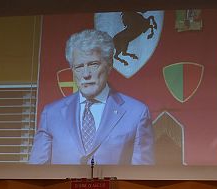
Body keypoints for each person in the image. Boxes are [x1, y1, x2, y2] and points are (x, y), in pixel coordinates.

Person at [29, 29, 154, 165]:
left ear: (109, 65)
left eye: (93, 64)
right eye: (79, 67)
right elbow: (37, 172)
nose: (86, 74)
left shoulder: (137, 113)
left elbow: (142, 174)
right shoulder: (51, 113)